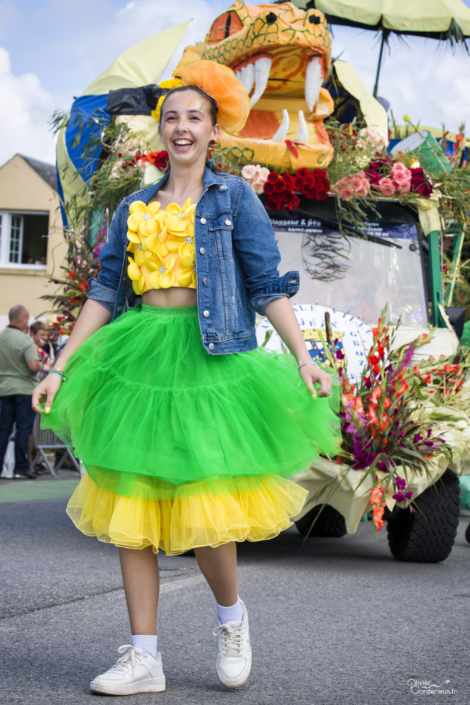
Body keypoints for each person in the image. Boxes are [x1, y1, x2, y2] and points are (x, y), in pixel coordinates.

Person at [33, 61, 341, 696]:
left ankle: (232, 619)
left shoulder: (234, 199)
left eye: (194, 117)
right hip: (139, 358)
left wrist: (305, 355)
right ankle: (144, 655)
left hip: (210, 358)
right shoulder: (136, 205)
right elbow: (105, 290)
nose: (181, 127)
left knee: (206, 507)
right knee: (132, 503)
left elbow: (265, 284)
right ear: (161, 130)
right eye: (171, 117)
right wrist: (60, 364)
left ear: (213, 131)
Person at [0, 305, 43, 480]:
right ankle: (20, 468)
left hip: (4, 388)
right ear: (23, 319)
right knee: (23, 430)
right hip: (24, 389)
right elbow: (33, 366)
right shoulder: (25, 340)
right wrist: (41, 365)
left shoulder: (1, 337)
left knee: (3, 430)